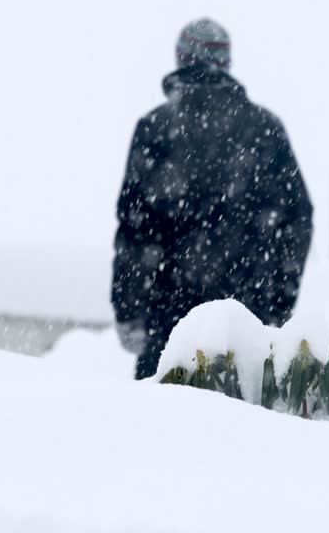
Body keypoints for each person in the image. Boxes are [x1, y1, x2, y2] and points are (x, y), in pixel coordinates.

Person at [110, 19, 314, 379]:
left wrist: (129, 310)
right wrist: (280, 302)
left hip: (168, 323)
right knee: (244, 430)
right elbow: (297, 219)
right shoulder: (265, 129)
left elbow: (134, 230)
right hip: (248, 320)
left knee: (154, 430)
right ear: (226, 64)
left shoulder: (155, 129)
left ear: (180, 59)